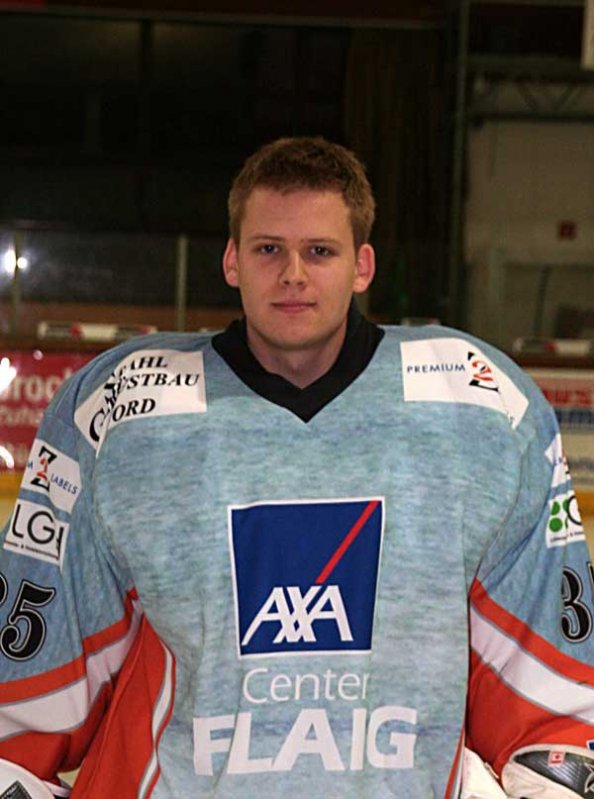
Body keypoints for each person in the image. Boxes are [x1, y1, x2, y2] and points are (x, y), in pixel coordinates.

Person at [0, 136, 593, 799]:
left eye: (319, 250)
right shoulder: (116, 410)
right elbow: (26, 695)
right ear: (231, 260)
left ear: (363, 264)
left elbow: (555, 712)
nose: (292, 273)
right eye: (267, 249)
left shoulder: (487, 409)